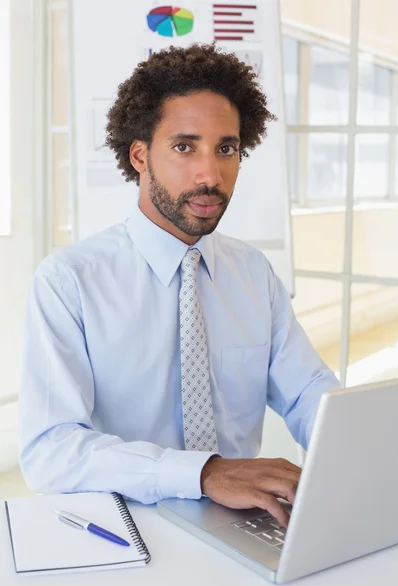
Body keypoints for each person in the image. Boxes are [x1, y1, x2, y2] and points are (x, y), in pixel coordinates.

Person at [19, 43, 339, 527]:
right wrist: (203, 473)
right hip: (125, 528)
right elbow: (50, 449)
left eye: (226, 149)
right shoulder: (70, 281)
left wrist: (358, 452)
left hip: (246, 526)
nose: (211, 175)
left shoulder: (253, 272)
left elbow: (308, 394)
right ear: (140, 155)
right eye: (184, 146)